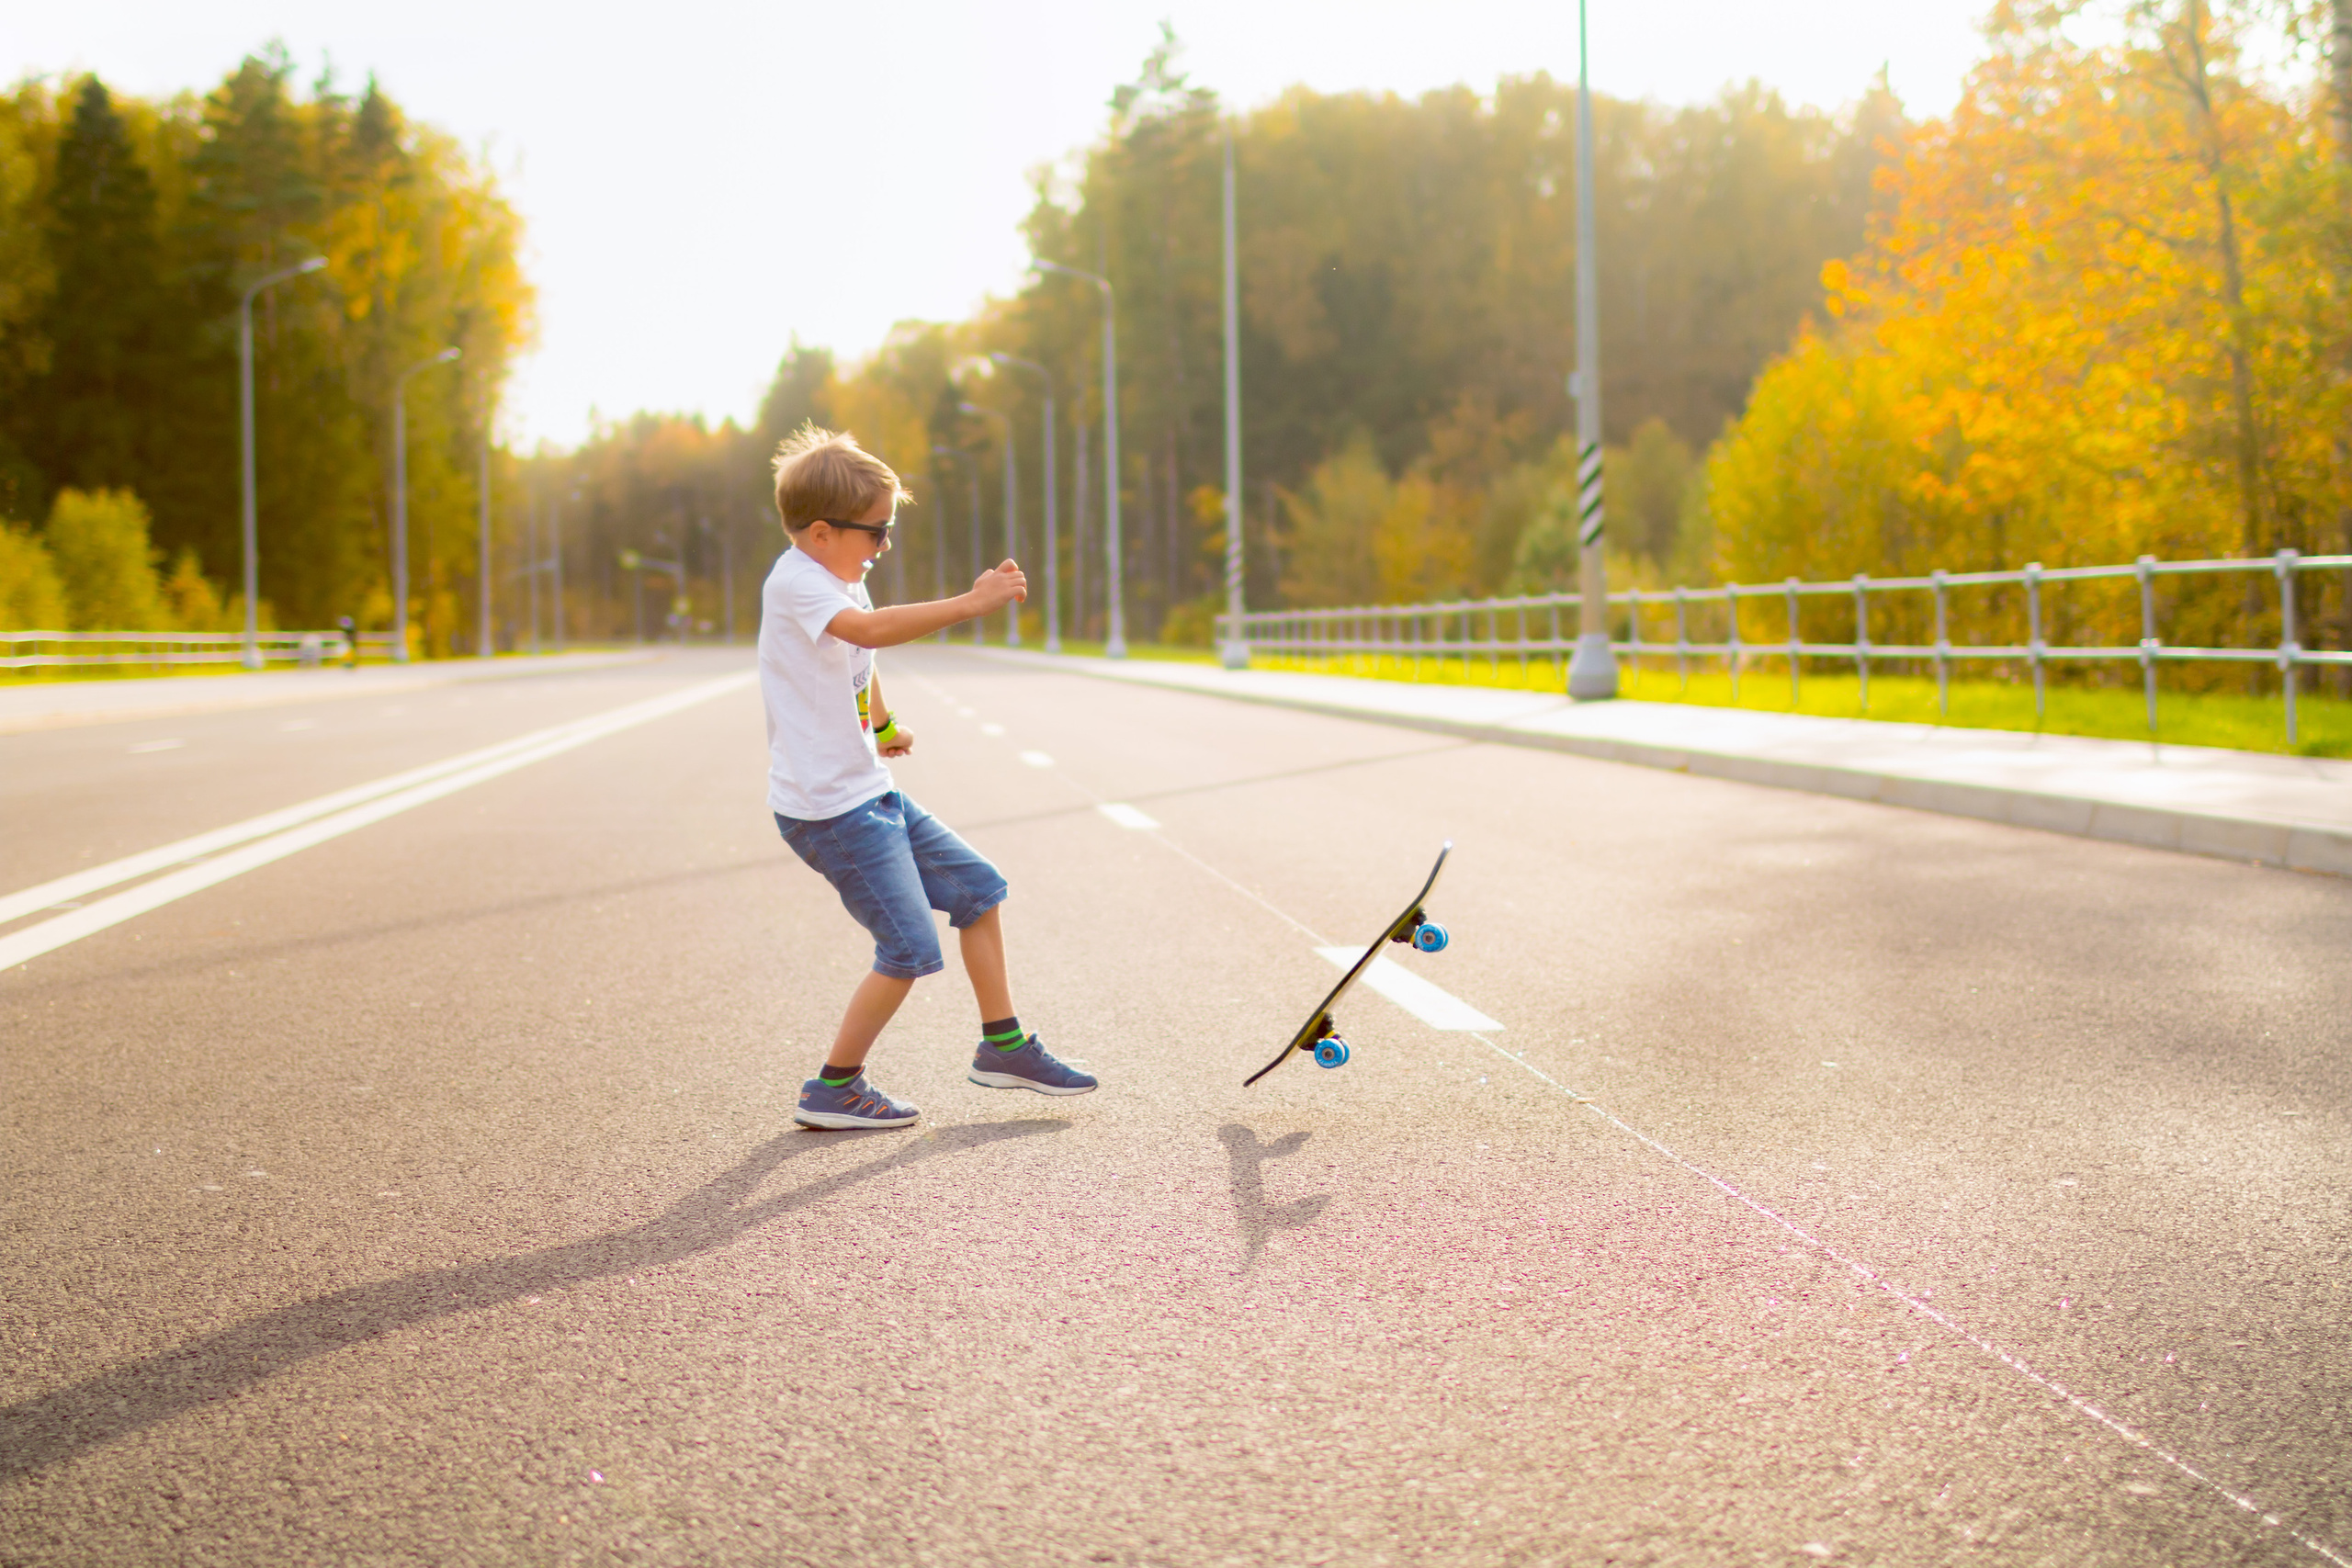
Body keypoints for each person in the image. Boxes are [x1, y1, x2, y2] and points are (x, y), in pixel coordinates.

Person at [761, 423, 1097, 1130]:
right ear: (821, 532)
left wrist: (882, 727)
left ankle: (1003, 1047)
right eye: (876, 533)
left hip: (867, 791)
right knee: (909, 950)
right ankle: (833, 1087)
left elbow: (858, 658)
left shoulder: (835, 573)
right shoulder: (797, 582)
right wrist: (971, 603)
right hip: (830, 810)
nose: (884, 546)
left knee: (979, 889)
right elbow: (870, 632)